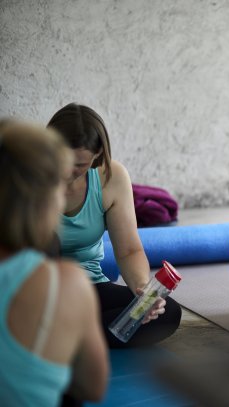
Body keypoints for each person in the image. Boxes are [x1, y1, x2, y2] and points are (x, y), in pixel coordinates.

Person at [47, 103, 181, 348]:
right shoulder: (27, 174)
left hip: (87, 286)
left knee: (167, 313)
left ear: (97, 155)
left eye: (80, 165)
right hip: (39, 290)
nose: (68, 171)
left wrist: (143, 291)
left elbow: (129, 250)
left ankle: (64, 338)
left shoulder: (111, 177)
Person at [0, 120, 108, 405]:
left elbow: (131, 249)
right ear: (42, 198)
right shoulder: (66, 282)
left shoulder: (108, 178)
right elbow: (93, 388)